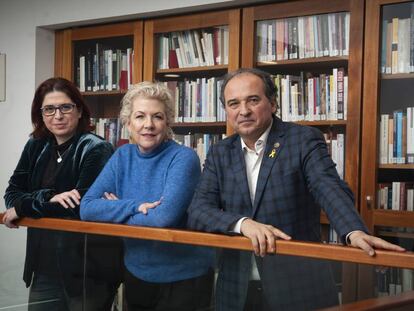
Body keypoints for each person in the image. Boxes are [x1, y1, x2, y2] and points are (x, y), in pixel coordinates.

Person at [187, 68, 405, 310]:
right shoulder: (220, 152)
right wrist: (243, 223)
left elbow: (327, 186)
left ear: (273, 103)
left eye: (253, 100)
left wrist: (353, 232)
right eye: (233, 103)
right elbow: (198, 210)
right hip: (236, 288)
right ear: (226, 111)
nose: (244, 111)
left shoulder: (303, 139)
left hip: (298, 286)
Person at [80, 81, 214, 311]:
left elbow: (163, 219)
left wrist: (113, 210)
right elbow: (87, 208)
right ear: (128, 123)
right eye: (140, 116)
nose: (148, 125)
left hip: (185, 277)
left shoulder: (184, 158)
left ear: (168, 122)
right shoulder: (122, 155)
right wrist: (133, 206)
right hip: (137, 271)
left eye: (157, 117)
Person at [2, 77, 122, 311]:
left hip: (88, 268)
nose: (57, 116)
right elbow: (12, 192)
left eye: (65, 107)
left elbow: (80, 206)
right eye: (49, 109)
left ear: (79, 111)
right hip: (44, 266)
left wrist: (24, 206)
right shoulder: (36, 145)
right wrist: (47, 197)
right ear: (41, 114)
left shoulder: (96, 148)